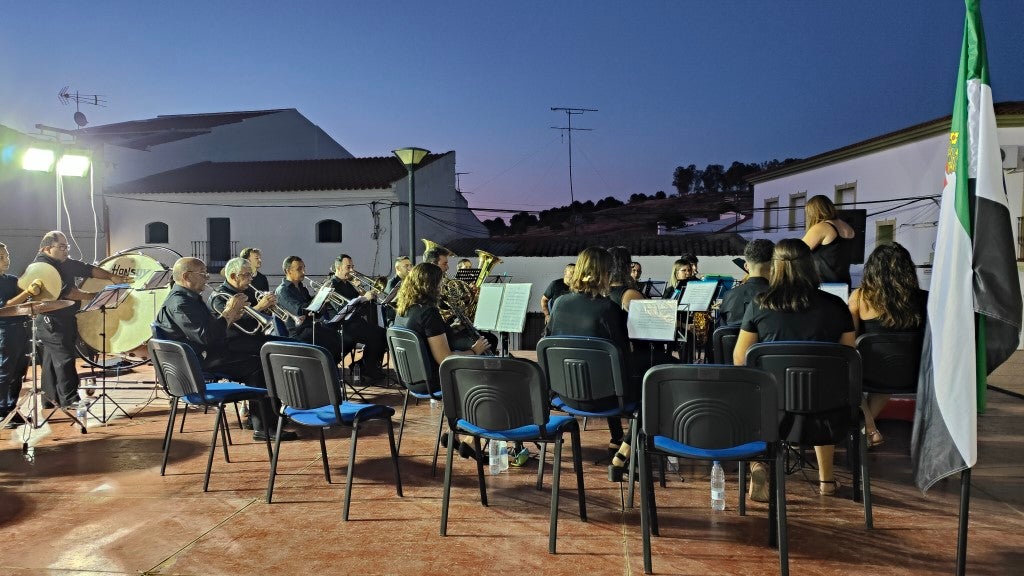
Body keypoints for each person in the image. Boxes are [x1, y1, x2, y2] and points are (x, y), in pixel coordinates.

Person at [733, 239, 855, 501]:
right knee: (825, 392)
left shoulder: (760, 304)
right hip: (827, 414)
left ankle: (759, 463)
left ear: (775, 268)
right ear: (810, 267)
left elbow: (740, 358)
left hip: (771, 412)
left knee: (750, 397)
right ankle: (827, 481)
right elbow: (849, 359)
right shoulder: (836, 306)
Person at [155, 257, 297, 441]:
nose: (207, 278)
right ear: (187, 276)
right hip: (197, 363)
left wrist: (232, 316)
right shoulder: (180, 304)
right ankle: (264, 426)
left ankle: (263, 420)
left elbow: (210, 331)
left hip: (204, 355)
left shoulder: (188, 299)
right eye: (203, 274)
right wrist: (228, 314)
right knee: (260, 364)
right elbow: (207, 337)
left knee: (260, 358)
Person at [547, 247, 633, 480]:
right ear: (604, 273)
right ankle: (623, 452)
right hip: (605, 400)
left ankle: (619, 443)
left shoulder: (559, 304)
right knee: (652, 386)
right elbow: (622, 357)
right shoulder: (608, 309)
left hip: (564, 397)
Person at [394, 262, 490, 458]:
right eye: (440, 283)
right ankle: (471, 439)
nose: (442, 287)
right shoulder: (428, 312)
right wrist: (475, 351)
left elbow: (428, 339)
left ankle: (454, 433)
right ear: (430, 285)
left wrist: (449, 330)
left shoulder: (403, 310)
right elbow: (445, 358)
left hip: (413, 380)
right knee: (486, 378)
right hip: (433, 380)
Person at [34, 231, 128, 408]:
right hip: (52, 321)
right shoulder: (44, 267)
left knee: (51, 360)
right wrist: (98, 296)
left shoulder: (62, 262)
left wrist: (110, 275)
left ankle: (49, 400)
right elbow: (69, 293)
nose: (66, 250)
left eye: (66, 246)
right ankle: (70, 399)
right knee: (65, 358)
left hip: (63, 318)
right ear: (47, 248)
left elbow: (88, 269)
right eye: (61, 247)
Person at [848, 242, 928, 448]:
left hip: (872, 373)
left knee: (848, 369)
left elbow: (849, 340)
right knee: (889, 365)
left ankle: (868, 428)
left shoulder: (860, 297)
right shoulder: (925, 299)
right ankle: (868, 428)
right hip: (912, 373)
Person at [0, 243, 43, 427]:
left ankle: (11, 409)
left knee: (18, 373)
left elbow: (26, 298)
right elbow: (5, 305)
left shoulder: (11, 279)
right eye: (1, 257)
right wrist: (27, 292)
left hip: (21, 328)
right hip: (5, 331)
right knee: (4, 372)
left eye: (7, 255)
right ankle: (1, 412)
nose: (6, 259)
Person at [273, 256, 344, 364]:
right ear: (288, 271)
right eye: (299, 269)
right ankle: (325, 372)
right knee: (329, 343)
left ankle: (329, 372)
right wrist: (320, 295)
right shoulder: (282, 291)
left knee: (337, 338)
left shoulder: (302, 288)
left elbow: (315, 312)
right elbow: (299, 310)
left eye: (303, 268)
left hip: (310, 326)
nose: (303, 272)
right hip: (297, 331)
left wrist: (324, 300)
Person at [328, 254, 387, 381]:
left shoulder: (348, 284)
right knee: (376, 336)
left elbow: (361, 304)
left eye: (352, 266)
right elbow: (343, 308)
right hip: (342, 326)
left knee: (382, 333)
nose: (352, 270)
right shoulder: (331, 285)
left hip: (355, 323)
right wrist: (364, 297)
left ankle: (363, 365)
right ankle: (366, 367)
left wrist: (360, 291)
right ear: (338, 268)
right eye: (348, 267)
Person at [719, 239, 774, 326]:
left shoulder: (728, 295)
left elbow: (723, 330)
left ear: (746, 266)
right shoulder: (779, 296)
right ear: (773, 266)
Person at [802, 195, 855, 285]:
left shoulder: (822, 227)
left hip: (824, 286)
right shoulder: (848, 227)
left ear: (813, 212)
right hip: (844, 284)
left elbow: (796, 250)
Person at [540, 263, 574, 327]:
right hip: (556, 319)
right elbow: (543, 300)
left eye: (576, 272)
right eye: (572, 272)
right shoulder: (555, 284)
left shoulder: (578, 286)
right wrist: (547, 315)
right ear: (565, 272)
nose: (574, 275)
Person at [382, 255, 411, 327]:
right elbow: (393, 307)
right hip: (394, 320)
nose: (410, 268)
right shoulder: (392, 284)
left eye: (410, 265)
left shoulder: (408, 281)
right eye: (406, 266)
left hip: (404, 316)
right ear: (398, 268)